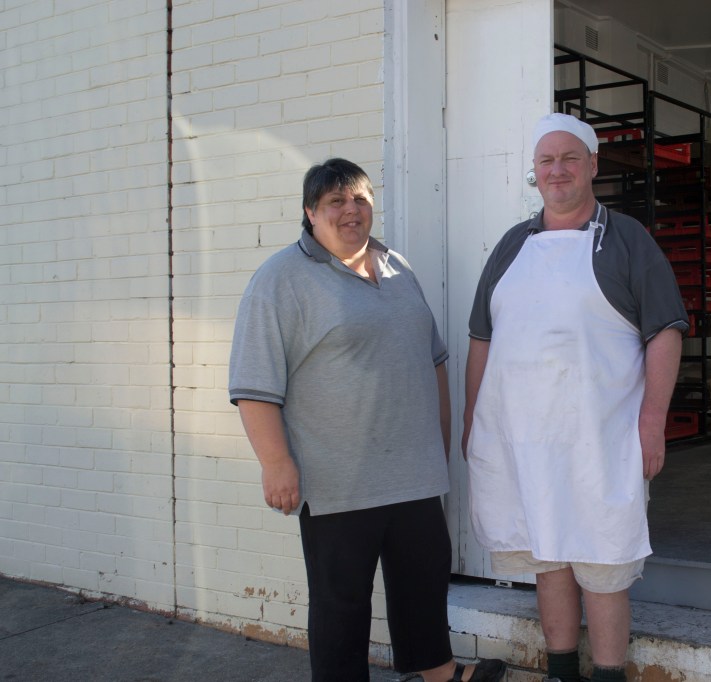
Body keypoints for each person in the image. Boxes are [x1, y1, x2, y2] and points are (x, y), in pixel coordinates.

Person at [229, 158, 506, 682]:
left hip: (414, 473)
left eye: (360, 199)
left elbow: (433, 361)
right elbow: (254, 385)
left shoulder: (396, 266)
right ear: (310, 212)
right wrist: (276, 463)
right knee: (342, 604)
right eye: (336, 201)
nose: (351, 210)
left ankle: (440, 673)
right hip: (338, 480)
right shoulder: (280, 280)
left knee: (422, 585)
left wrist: (439, 447)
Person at [462, 115, 687, 682]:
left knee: (603, 561)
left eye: (569, 158)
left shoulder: (628, 240)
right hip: (523, 437)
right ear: (534, 174)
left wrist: (653, 419)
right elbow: (481, 340)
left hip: (601, 437)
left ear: (592, 165)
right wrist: (473, 421)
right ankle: (562, 671)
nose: (556, 169)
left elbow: (665, 331)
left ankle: (609, 675)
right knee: (547, 557)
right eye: (545, 161)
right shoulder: (512, 245)